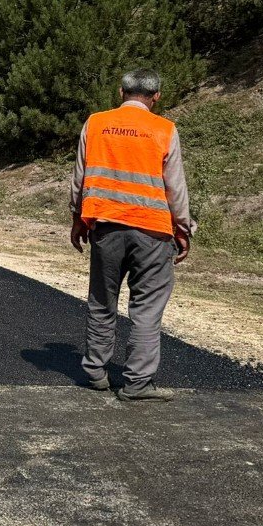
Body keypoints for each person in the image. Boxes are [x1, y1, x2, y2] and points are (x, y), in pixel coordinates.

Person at [70, 69, 194, 402]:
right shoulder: (165, 129)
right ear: (156, 97)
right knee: (147, 309)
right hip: (153, 232)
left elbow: (80, 176)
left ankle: (96, 372)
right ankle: (136, 384)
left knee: (102, 301)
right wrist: (183, 229)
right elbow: (175, 188)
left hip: (106, 226)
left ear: (121, 92)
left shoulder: (96, 123)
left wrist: (78, 220)